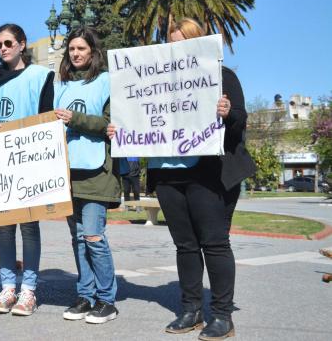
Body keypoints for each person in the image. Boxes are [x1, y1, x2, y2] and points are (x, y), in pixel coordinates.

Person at [108, 18, 255, 339]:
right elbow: (137, 114)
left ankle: (222, 315)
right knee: (185, 245)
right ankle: (190, 311)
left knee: (214, 244)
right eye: (171, 43)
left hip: (209, 174)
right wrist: (122, 131)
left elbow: (240, 122)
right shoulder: (150, 80)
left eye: (183, 43)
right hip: (167, 175)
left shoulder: (222, 76)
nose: (176, 48)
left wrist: (227, 112)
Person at [0, 23, 55, 316]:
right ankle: (8, 287)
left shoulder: (41, 76)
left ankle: (29, 290)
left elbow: (47, 116)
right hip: (0, 162)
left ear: (22, 44)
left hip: (30, 160)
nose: (3, 49)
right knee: (5, 227)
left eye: (8, 43)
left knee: (29, 227)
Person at [53, 27, 121, 324]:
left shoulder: (107, 82)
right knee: (78, 239)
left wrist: (74, 119)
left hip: (97, 171)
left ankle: (107, 300)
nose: (76, 54)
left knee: (94, 236)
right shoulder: (61, 86)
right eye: (71, 49)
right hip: (68, 171)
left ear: (93, 51)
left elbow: (110, 124)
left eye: (81, 48)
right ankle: (85, 295)